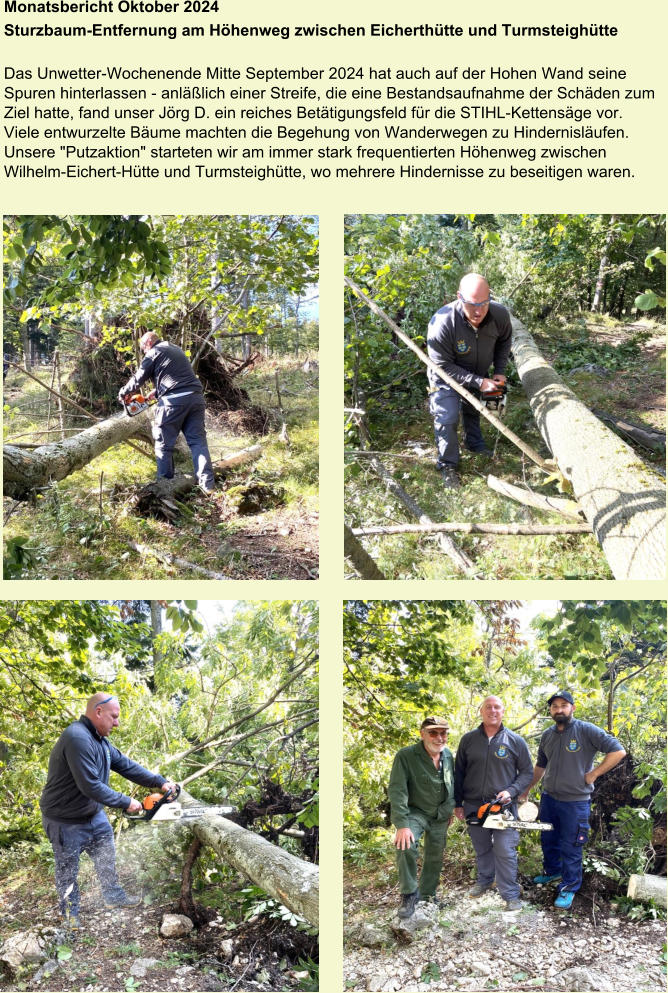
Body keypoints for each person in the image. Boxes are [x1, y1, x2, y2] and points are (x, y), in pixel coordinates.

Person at [40, 692, 178, 929]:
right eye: (114, 717)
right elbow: (90, 785)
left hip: (93, 815)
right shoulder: (77, 738)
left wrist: (159, 781)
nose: (117, 722)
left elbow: (125, 765)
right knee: (67, 871)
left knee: (106, 855)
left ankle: (113, 896)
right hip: (65, 820)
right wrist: (127, 802)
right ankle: (70, 915)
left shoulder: (100, 741)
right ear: (98, 712)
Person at [518, 691, 626, 910]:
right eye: (555, 706)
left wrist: (594, 774)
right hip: (549, 798)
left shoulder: (586, 730)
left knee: (572, 845)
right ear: (550, 710)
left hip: (575, 802)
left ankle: (569, 887)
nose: (559, 709)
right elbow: (540, 765)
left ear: (572, 708)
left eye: (564, 705)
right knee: (549, 839)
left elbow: (618, 751)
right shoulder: (547, 735)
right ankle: (552, 872)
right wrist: (527, 788)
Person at [427, 273, 512, 488]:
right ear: (459, 297)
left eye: (484, 304)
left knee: (477, 408)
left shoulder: (499, 315)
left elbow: (504, 341)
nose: (478, 311)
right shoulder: (443, 322)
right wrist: (479, 382)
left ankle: (474, 444)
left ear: (490, 297)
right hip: (444, 376)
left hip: (479, 371)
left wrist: (499, 371)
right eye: (472, 304)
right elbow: (442, 366)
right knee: (447, 417)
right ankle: (448, 465)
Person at [453, 696, 533, 911]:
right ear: (481, 711)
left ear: (503, 711)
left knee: (505, 849)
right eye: (488, 707)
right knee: (482, 848)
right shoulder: (468, 740)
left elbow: (527, 772)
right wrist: (457, 802)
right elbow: (458, 772)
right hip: (473, 805)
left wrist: (512, 791)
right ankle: (485, 881)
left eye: (497, 707)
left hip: (502, 808)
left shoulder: (515, 741)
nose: (492, 711)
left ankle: (510, 894)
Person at [118, 331, 216, 494]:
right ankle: (208, 485)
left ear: (148, 342)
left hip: (173, 402)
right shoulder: (174, 349)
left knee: (163, 444)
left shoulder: (154, 352)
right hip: (195, 398)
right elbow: (177, 376)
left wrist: (123, 392)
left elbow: (139, 378)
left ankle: (164, 488)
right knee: (197, 441)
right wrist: (156, 392)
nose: (144, 352)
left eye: (143, 348)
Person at [388, 716, 455, 919]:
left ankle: (428, 896)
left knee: (435, 855)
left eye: (443, 733)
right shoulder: (406, 756)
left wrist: (450, 809)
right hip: (415, 813)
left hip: (440, 814)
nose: (439, 738)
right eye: (433, 733)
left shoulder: (448, 755)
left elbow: (452, 785)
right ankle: (409, 894)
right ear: (422, 734)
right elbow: (397, 790)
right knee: (405, 844)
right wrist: (401, 824)